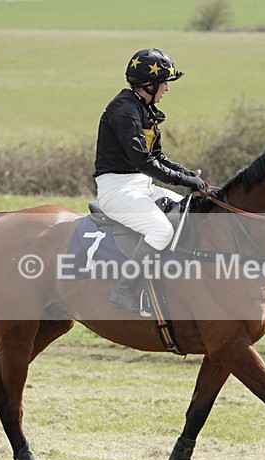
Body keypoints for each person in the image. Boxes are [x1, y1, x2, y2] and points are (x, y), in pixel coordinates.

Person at [93, 48, 206, 313]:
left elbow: (158, 156)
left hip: (141, 186)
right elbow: (144, 161)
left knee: (190, 211)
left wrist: (191, 177)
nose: (167, 88)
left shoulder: (143, 108)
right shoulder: (125, 111)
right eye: (164, 82)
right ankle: (123, 289)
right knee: (161, 231)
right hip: (117, 190)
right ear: (149, 84)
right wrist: (185, 181)